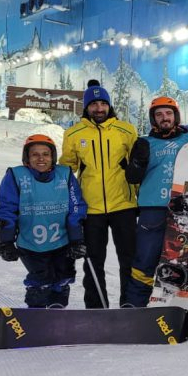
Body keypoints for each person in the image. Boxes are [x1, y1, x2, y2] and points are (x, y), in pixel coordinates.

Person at [123, 96, 188, 332]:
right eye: (159, 114)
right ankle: (135, 309)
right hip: (153, 209)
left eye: (168, 113)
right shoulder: (145, 142)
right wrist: (138, 161)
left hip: (186, 211)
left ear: (176, 116)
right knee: (144, 261)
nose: (164, 118)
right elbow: (132, 178)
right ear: (153, 119)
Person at [59, 81, 138, 308]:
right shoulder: (74, 134)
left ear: (109, 105)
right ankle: (96, 307)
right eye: (94, 104)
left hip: (124, 206)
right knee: (93, 261)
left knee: (130, 259)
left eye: (103, 103)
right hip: (90, 209)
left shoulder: (126, 130)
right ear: (86, 107)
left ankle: (130, 305)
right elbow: (66, 170)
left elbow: (137, 169)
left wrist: (140, 198)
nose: (99, 108)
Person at [0, 134, 88, 308]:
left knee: (63, 276)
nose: (41, 159)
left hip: (62, 240)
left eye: (46, 154)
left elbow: (76, 206)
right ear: (27, 157)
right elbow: (7, 209)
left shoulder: (65, 174)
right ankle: (36, 311)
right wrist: (6, 242)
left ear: (53, 156)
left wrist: (77, 239)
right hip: (31, 242)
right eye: (35, 154)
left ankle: (57, 309)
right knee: (41, 279)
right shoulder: (16, 175)